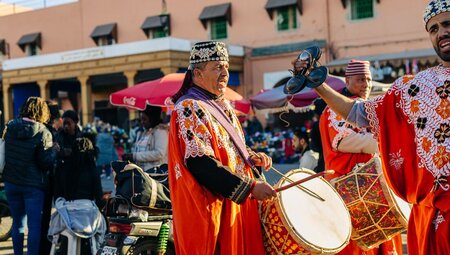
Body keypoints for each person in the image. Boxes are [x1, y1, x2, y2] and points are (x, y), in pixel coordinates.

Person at [293, 2, 450, 253]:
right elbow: (358, 114)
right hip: (430, 218)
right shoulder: (416, 88)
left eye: (447, 24)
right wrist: (319, 85)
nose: (441, 32)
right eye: (434, 28)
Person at [168, 41, 276, 255]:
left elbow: (229, 150)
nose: (225, 72)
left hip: (235, 203)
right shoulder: (190, 108)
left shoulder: (223, 105)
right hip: (214, 208)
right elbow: (201, 162)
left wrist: (251, 159)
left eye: (226, 66)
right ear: (197, 74)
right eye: (218, 67)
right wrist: (250, 187)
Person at [319, 60, 402, 254]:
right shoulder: (335, 108)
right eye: (360, 79)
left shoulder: (367, 107)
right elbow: (344, 141)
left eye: (369, 79)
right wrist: (387, 140)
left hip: (372, 190)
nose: (366, 84)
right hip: (347, 189)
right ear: (347, 81)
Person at [2, 97, 57, 255]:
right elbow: (44, 162)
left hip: (11, 182)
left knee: (18, 223)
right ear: (43, 112)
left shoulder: (10, 126)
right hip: (33, 186)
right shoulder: (43, 131)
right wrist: (54, 151)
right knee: (34, 226)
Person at [51, 137, 106, 254]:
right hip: (89, 219)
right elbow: (99, 198)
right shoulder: (92, 170)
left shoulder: (63, 167)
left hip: (66, 218)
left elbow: (57, 196)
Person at [122, 105, 168, 172]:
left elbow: (159, 153)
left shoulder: (160, 132)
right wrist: (130, 156)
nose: (142, 122)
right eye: (141, 119)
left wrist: (135, 156)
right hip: (142, 173)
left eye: (144, 119)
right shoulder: (141, 132)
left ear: (152, 119)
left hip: (155, 173)